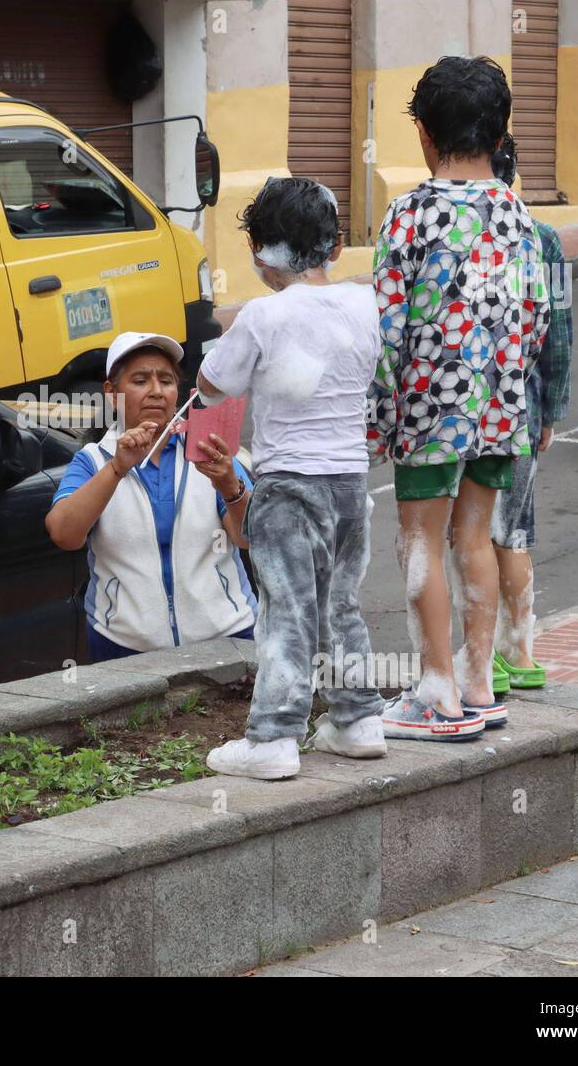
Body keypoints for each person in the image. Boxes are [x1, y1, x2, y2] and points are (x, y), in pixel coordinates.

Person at [368, 56, 550, 742]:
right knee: (475, 534)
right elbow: (535, 318)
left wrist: (377, 417)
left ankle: (436, 693)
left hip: (428, 408)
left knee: (419, 539)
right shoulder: (520, 217)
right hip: (499, 408)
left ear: (422, 133)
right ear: (501, 134)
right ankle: (478, 680)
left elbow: (386, 329)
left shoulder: (409, 216)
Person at [198, 177, 387, 781]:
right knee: (341, 604)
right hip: (350, 484)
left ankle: (274, 737)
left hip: (287, 486)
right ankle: (358, 720)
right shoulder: (364, 304)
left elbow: (211, 384)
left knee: (287, 609)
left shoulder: (262, 314)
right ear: (333, 247)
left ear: (263, 253)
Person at [45, 331, 257, 661]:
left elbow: (247, 540)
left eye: (167, 381)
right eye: (140, 380)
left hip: (227, 639)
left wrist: (231, 487)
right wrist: (117, 468)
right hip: (123, 649)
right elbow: (65, 535)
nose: (156, 391)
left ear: (179, 393)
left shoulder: (210, 451)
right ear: (112, 394)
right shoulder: (93, 460)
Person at [486, 134, 572, 692]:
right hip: (525, 408)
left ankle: (479, 656)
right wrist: (550, 410)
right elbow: (558, 330)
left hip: (467, 414)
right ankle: (520, 655)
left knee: (471, 533)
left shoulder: (457, 231)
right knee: (514, 532)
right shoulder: (548, 241)